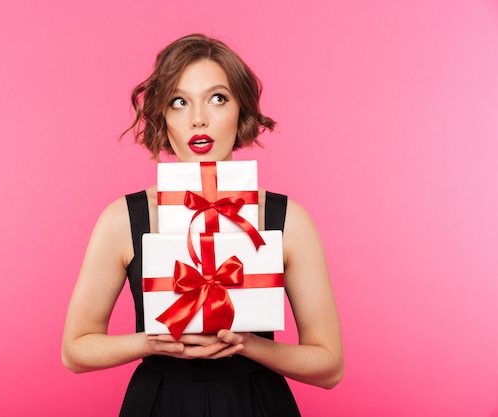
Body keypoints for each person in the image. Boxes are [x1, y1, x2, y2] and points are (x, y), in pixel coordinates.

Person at [61, 33, 343, 416]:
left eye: (217, 98)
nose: (198, 118)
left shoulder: (287, 219)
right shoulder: (122, 219)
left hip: (256, 402)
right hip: (160, 402)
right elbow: (76, 350)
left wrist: (248, 344)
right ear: (162, 116)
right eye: (179, 102)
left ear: (241, 111)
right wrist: (152, 342)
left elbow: (329, 366)